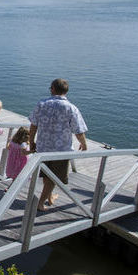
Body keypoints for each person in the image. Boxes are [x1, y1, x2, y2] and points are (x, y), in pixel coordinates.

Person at [29, 78, 88, 212]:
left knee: (47, 175)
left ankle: (49, 197)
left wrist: (31, 141)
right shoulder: (71, 108)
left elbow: (33, 125)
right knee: (54, 177)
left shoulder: (41, 104)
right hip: (60, 150)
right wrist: (83, 144)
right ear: (66, 91)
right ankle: (40, 202)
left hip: (43, 147)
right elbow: (78, 130)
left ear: (52, 89)